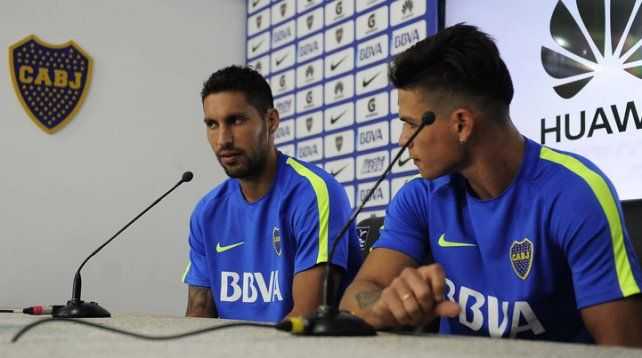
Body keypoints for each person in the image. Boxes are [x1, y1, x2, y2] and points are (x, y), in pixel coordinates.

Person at [339, 24, 642, 346]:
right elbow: (356, 298)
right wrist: (383, 307)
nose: (403, 141)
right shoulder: (419, 197)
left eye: (411, 125)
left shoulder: (575, 194)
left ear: (461, 124)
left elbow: (621, 349)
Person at [183, 66, 362, 322]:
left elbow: (305, 318)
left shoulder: (313, 193)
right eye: (212, 124)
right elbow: (198, 313)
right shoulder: (207, 211)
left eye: (235, 120)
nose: (223, 139)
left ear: (271, 121)